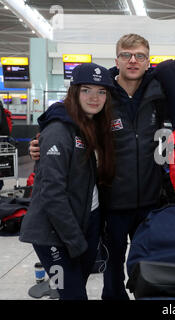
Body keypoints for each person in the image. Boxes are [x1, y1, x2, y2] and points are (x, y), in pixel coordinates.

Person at [29, 34, 166, 300]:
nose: (133, 60)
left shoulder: (159, 94)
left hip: (150, 199)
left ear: (149, 61)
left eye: (139, 55)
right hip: (112, 199)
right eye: (126, 55)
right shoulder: (104, 94)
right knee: (112, 264)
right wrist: (42, 138)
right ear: (117, 60)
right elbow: (69, 116)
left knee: (146, 263)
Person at [19, 63, 116, 300]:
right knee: (73, 294)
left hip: (82, 224)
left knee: (74, 291)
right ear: (74, 92)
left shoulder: (91, 127)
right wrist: (75, 240)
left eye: (101, 91)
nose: (94, 97)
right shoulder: (59, 131)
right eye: (86, 90)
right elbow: (52, 194)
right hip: (53, 234)